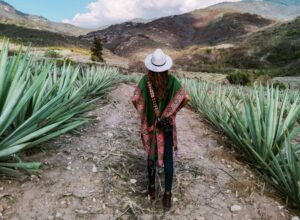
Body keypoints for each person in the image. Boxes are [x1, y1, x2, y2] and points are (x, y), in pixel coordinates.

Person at [132, 48, 189, 209]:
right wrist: (172, 113)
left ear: (150, 66)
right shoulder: (172, 81)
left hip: (151, 126)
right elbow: (185, 98)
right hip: (167, 127)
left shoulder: (145, 81)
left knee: (151, 157)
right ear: (166, 66)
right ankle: (168, 195)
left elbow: (135, 99)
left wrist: (146, 116)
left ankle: (151, 188)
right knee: (169, 160)